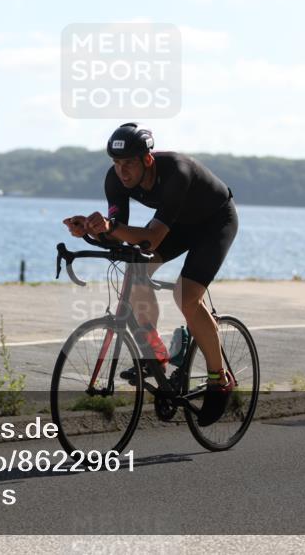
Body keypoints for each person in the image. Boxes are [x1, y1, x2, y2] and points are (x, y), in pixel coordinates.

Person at [63, 123, 239, 426]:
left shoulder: (176, 172)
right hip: (179, 225)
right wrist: (91, 230)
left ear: (147, 159)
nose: (122, 171)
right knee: (136, 270)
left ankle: (219, 379)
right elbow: (119, 231)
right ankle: (155, 353)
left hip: (215, 222)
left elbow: (152, 238)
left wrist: (110, 227)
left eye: (129, 163)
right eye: (116, 163)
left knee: (186, 296)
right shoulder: (115, 179)